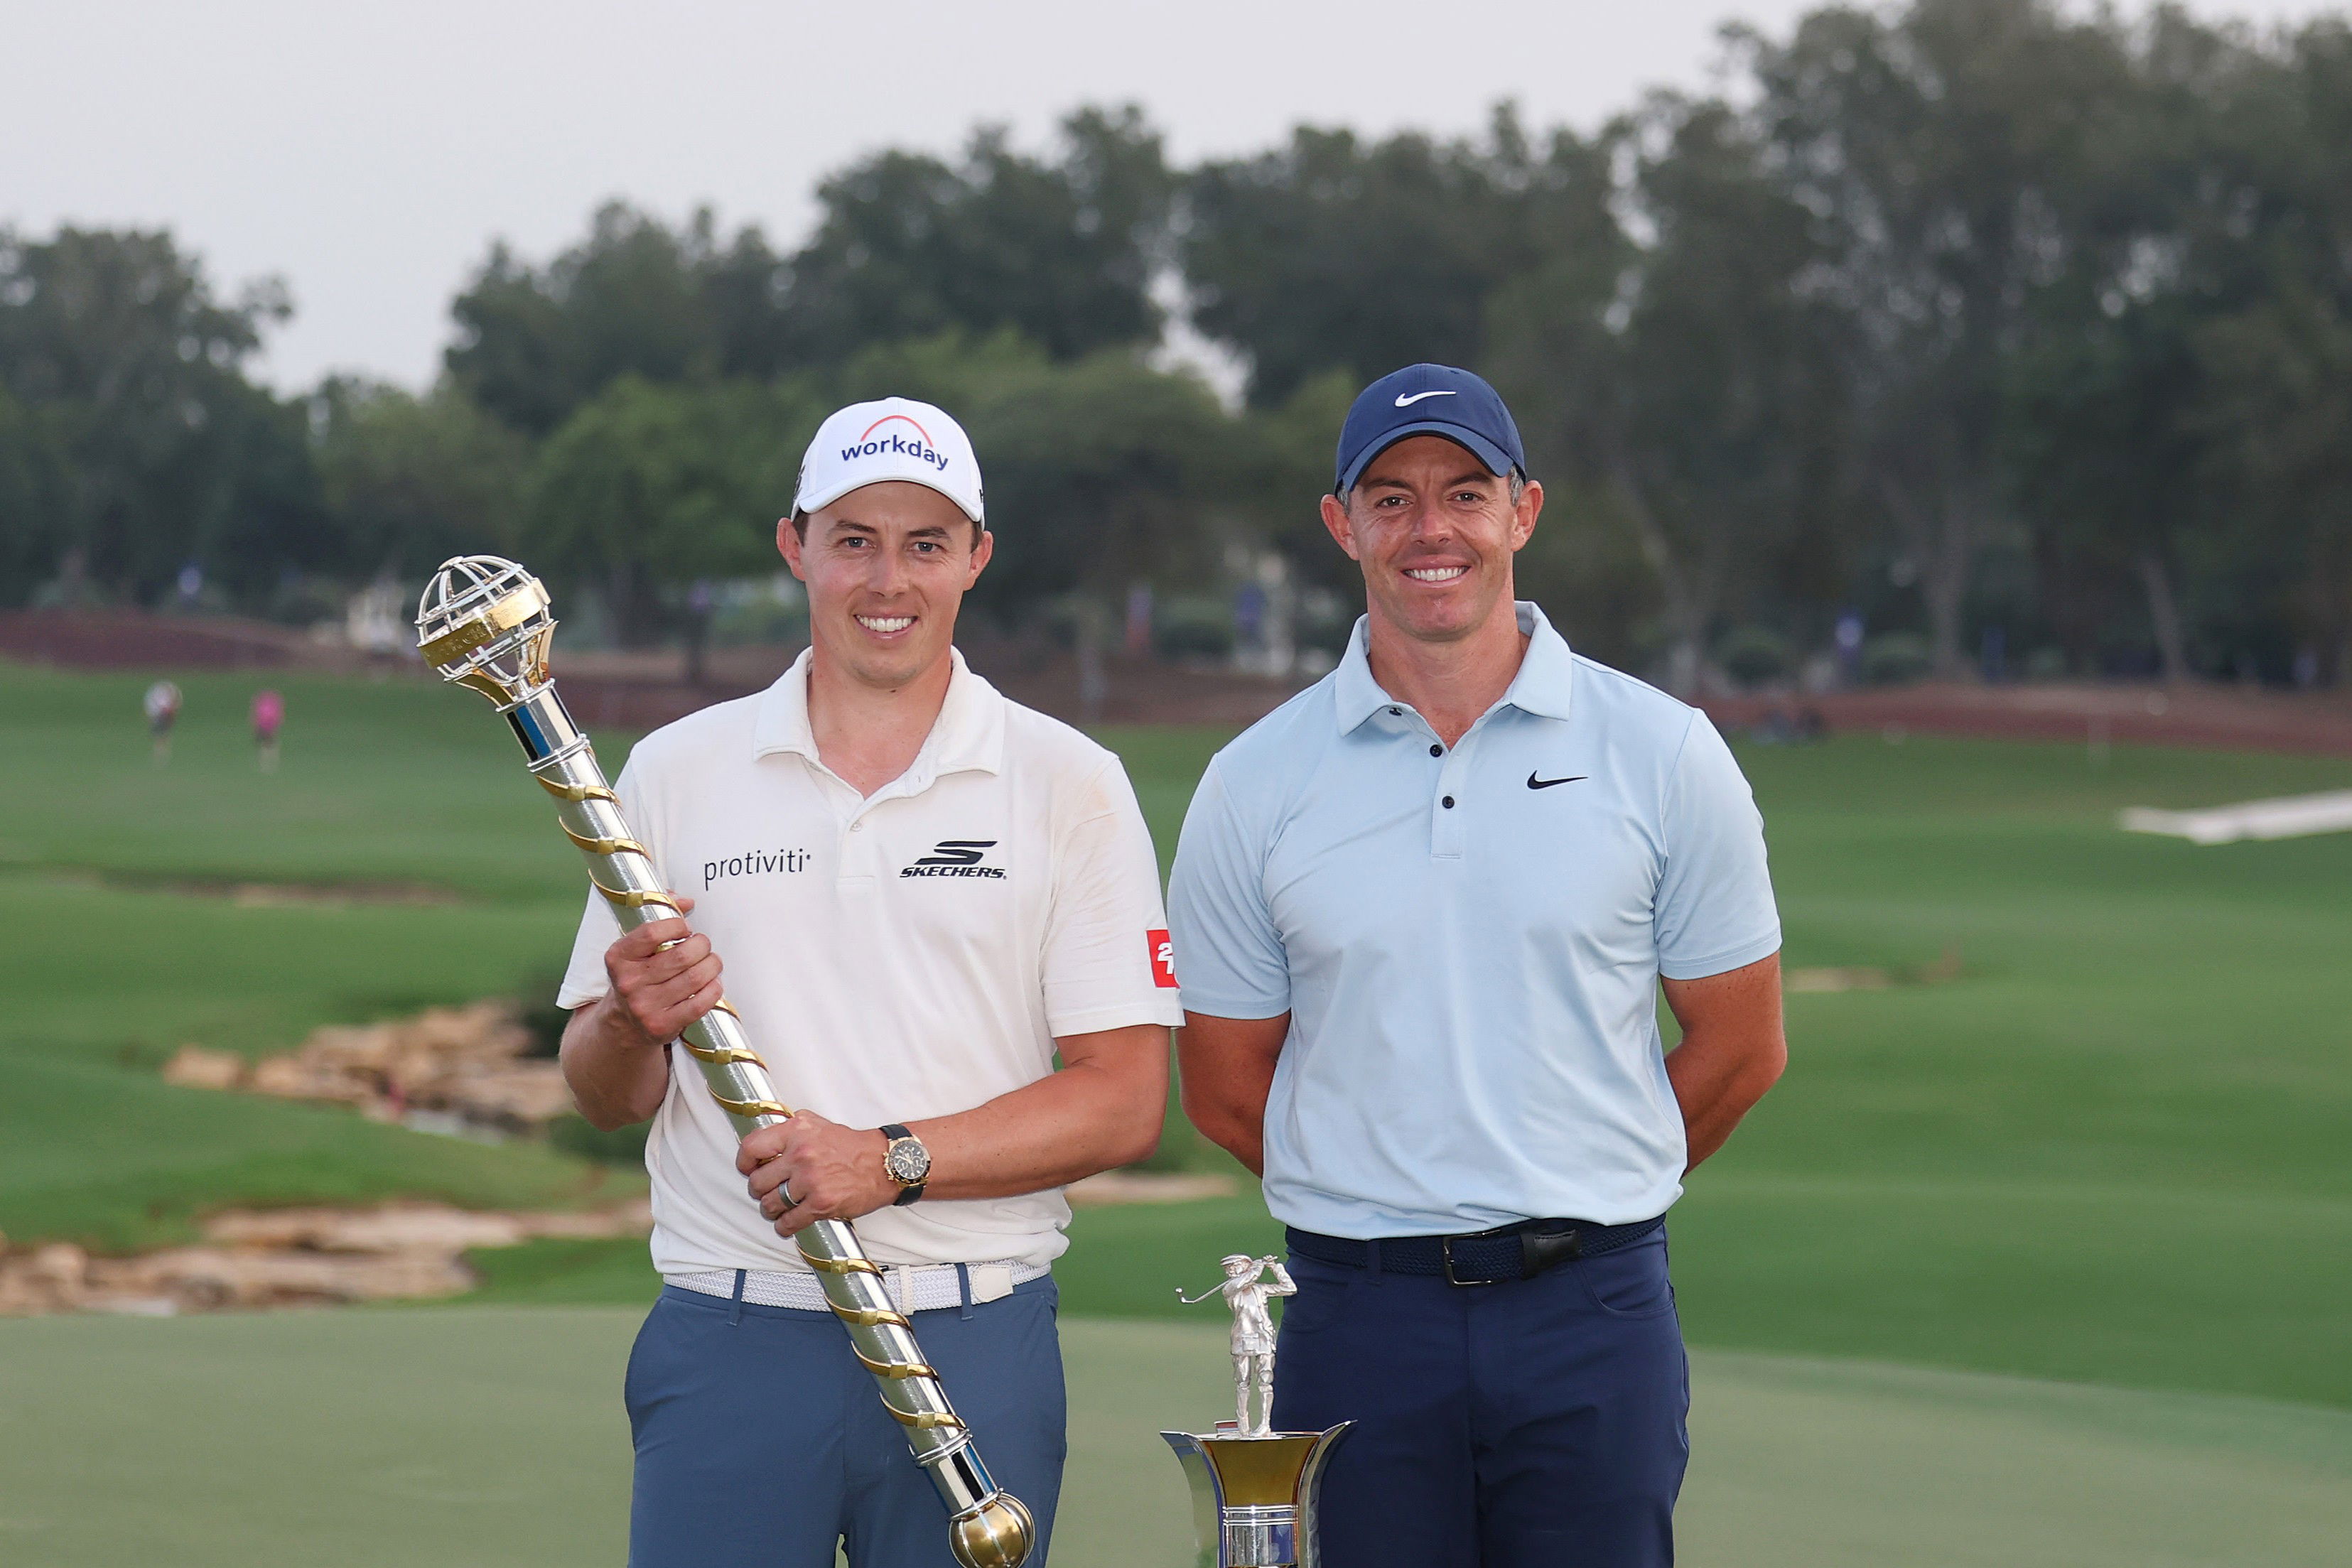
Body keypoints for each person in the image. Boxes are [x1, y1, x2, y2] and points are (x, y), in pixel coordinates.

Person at [1167, 364, 1788, 1567]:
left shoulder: (1664, 751)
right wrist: (1394, 1202)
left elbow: (1741, 1044)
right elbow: (1229, 1085)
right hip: (1357, 1318)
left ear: (1524, 511)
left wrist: (1581, 1173)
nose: (1430, 527)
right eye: (1390, 498)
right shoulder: (1254, 780)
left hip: (1592, 1307)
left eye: (1465, 491)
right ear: (1341, 525)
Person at [554, 398, 1182, 1568]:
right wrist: (629, 1022)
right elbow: (601, 1092)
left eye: (925, 543)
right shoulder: (678, 772)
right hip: (732, 1332)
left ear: (977, 558)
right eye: (854, 539)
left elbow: (1123, 1098)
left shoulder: (1069, 782)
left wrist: (888, 1159)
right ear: (795, 545)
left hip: (975, 1332)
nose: (887, 579)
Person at [143, 678, 181, 764]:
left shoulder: (168, 694)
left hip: (163, 715)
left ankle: (161, 751)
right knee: (160, 734)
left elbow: (171, 707)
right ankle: (160, 751)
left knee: (162, 734)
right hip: (159, 715)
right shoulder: (158, 694)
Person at [251, 688, 284, 772]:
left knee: (265, 746)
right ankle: (269, 762)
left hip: (264, 726)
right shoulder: (273, 705)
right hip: (269, 727)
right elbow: (277, 716)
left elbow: (257, 715)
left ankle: (265, 763)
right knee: (270, 745)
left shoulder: (262, 705)